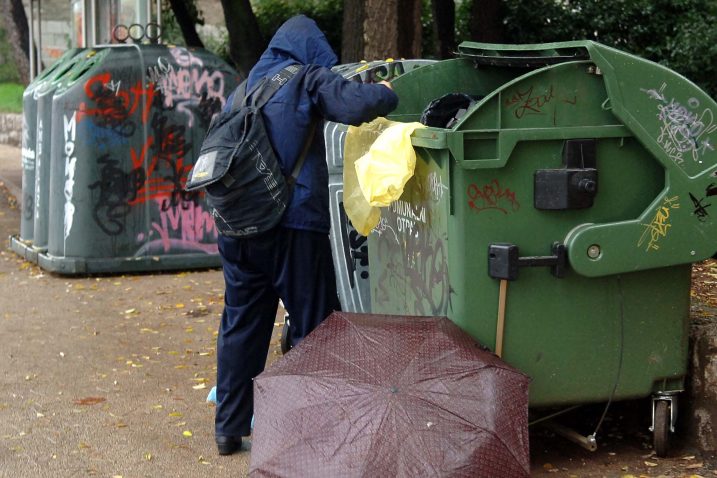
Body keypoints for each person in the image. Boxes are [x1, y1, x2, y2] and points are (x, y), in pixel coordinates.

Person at [214, 14, 398, 455]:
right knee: (313, 327)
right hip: (292, 224)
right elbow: (355, 105)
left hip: (236, 228)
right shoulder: (307, 78)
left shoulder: (242, 91)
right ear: (312, 48)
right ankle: (310, 430)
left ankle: (228, 427)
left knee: (242, 326)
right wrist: (388, 93)